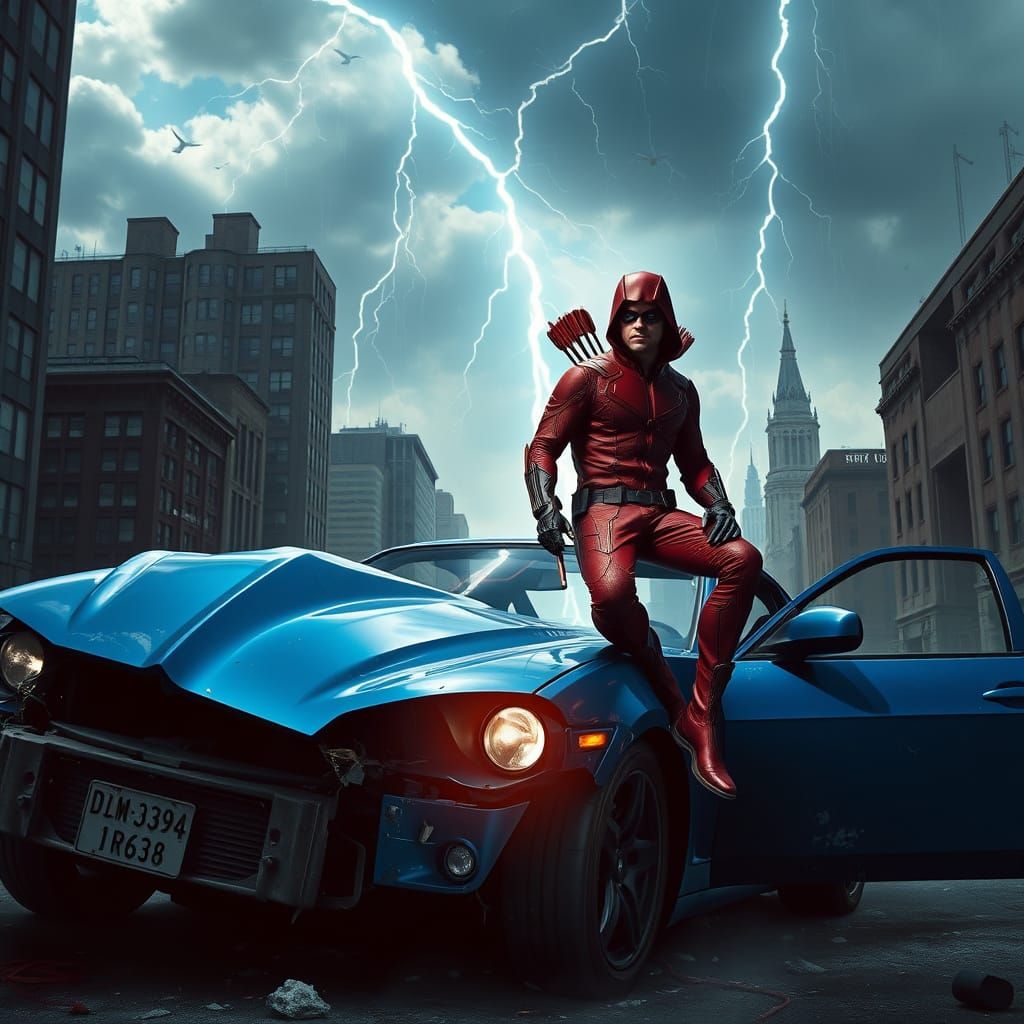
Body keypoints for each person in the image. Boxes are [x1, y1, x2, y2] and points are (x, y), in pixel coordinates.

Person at [524, 271, 762, 799]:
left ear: (666, 324)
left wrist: (719, 503)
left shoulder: (682, 391)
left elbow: (695, 462)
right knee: (611, 597)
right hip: (603, 514)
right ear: (615, 322)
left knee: (743, 558)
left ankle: (702, 714)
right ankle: (663, 680)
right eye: (628, 315)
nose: (639, 325)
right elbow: (543, 447)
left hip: (659, 514)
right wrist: (545, 507)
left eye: (650, 316)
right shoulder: (584, 379)